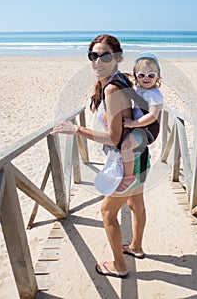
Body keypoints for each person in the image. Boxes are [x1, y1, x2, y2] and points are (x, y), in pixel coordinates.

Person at [51, 35, 149, 279]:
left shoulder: (113, 89)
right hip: (140, 154)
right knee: (135, 203)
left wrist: (77, 130)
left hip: (127, 160)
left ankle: (119, 265)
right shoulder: (118, 81)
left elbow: (114, 138)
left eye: (105, 56)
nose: (98, 61)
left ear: (117, 57)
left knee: (107, 212)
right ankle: (135, 247)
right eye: (93, 56)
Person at [116, 53, 163, 194]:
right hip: (138, 126)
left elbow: (152, 115)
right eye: (141, 75)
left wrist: (133, 123)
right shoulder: (140, 90)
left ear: (158, 76)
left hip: (147, 129)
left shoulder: (154, 94)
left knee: (126, 146)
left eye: (151, 75)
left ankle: (128, 177)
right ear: (136, 76)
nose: (146, 79)